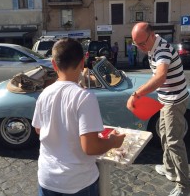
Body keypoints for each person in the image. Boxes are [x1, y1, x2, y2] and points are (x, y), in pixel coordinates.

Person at [32, 38, 126, 196]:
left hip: (47, 179)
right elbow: (90, 147)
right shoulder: (85, 97)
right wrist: (113, 142)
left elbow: (38, 129)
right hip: (78, 182)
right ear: (82, 64)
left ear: (54, 65)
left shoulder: (45, 93)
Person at [126, 22, 190, 196]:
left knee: (174, 142)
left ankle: (184, 186)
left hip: (174, 100)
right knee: (163, 132)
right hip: (166, 98)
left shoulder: (161, 49)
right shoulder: (152, 45)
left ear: (152, 35)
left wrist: (136, 94)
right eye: (136, 44)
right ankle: (169, 168)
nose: (140, 47)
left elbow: (161, 76)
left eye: (142, 43)